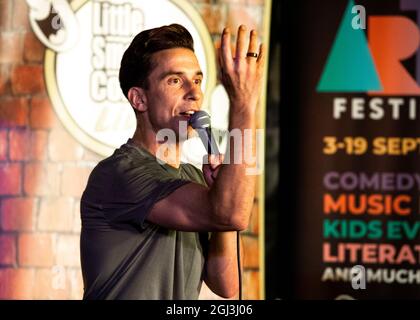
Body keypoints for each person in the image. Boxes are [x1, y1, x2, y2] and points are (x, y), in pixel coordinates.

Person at [80, 23, 264, 300]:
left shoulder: (194, 178)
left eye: (198, 80)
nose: (194, 92)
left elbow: (228, 286)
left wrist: (219, 194)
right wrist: (243, 104)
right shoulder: (119, 173)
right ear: (139, 99)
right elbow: (231, 214)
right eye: (175, 80)